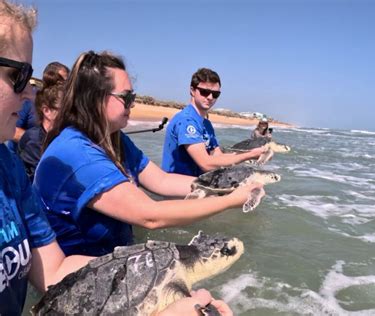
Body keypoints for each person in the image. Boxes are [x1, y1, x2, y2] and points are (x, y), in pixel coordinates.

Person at [34, 51, 262, 258]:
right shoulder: (77, 154)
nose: (132, 104)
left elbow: (161, 180)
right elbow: (150, 215)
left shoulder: (112, 138)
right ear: (94, 98)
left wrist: (228, 187)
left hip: (111, 263)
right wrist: (231, 200)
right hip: (78, 282)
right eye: (127, 98)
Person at [0, 1, 94, 314]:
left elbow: (53, 270)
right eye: (19, 75)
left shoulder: (8, 163)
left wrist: (157, 270)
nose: (29, 94)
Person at [161, 68, 267, 176]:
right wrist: (249, 155)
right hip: (177, 186)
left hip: (198, 182)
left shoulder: (206, 124)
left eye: (215, 94)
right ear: (192, 90)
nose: (210, 97)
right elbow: (205, 164)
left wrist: (250, 153)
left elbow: (218, 156)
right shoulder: (186, 121)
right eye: (205, 92)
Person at [18, 62, 69, 181]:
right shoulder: (29, 101)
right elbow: (11, 130)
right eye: (63, 81)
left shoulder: (66, 103)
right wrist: (37, 139)